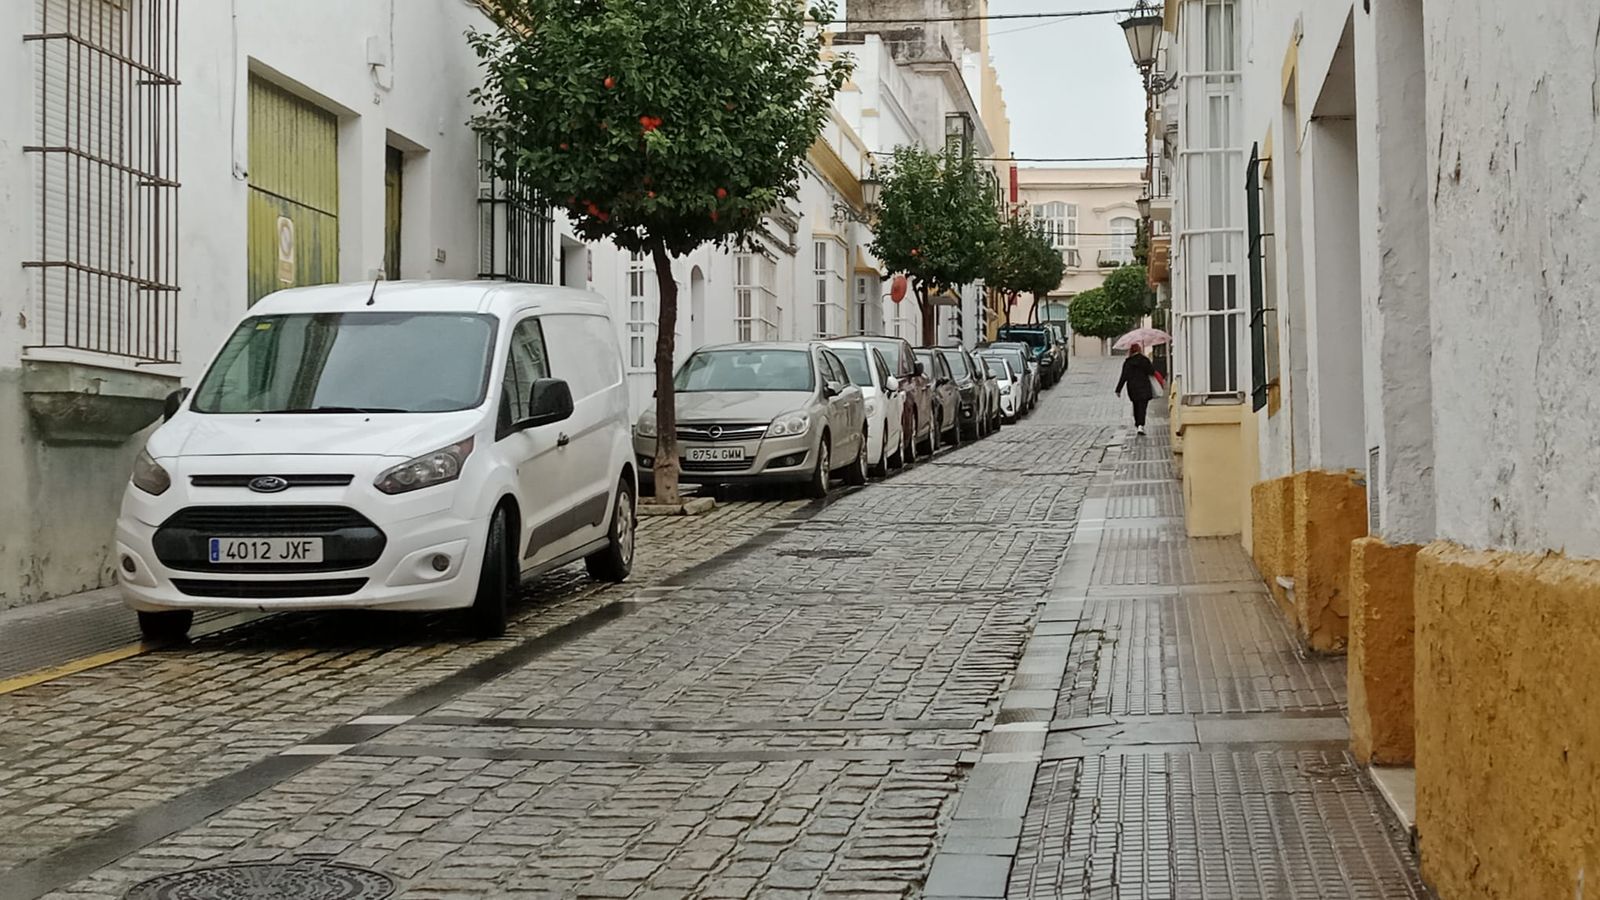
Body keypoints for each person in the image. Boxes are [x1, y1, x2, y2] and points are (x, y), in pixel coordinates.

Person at [1114, 343, 1157, 436]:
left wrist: (1118, 389)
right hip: (1144, 387)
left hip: (1133, 388)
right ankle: (1140, 425)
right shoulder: (1144, 360)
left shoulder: (1128, 362)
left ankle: (1138, 424)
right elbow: (1152, 371)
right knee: (1143, 407)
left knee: (1136, 405)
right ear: (1139, 350)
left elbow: (1123, 376)